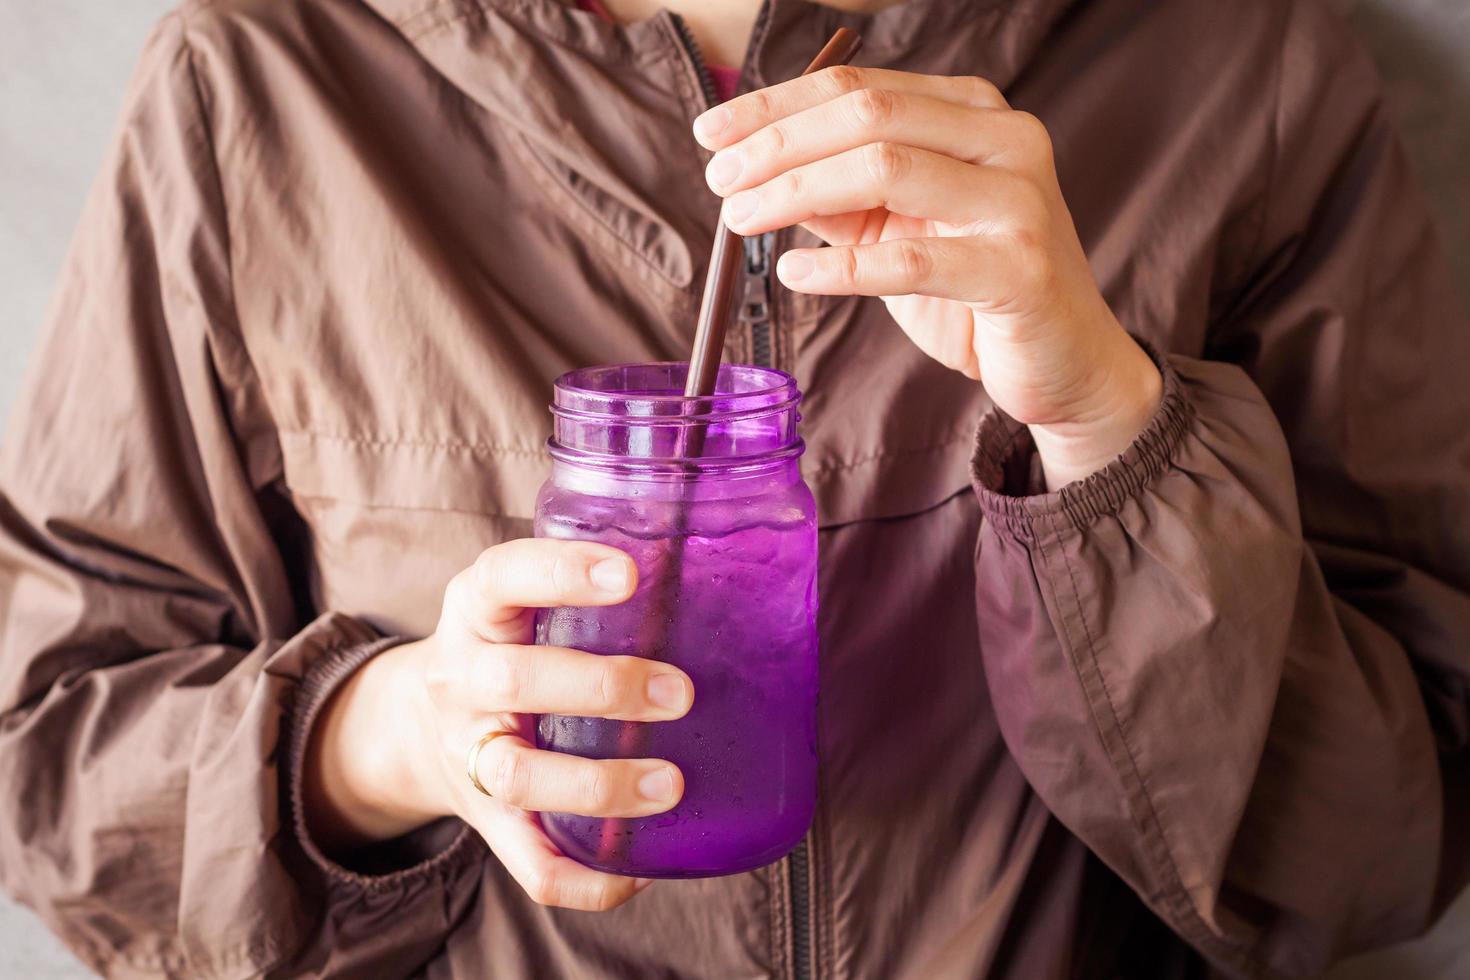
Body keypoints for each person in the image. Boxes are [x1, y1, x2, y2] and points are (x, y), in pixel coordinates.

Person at [1, 0, 1467, 975]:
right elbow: (47, 767)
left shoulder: (1233, 51)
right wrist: (386, 736)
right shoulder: (258, 70)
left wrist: (1104, 419)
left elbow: (1386, 854)